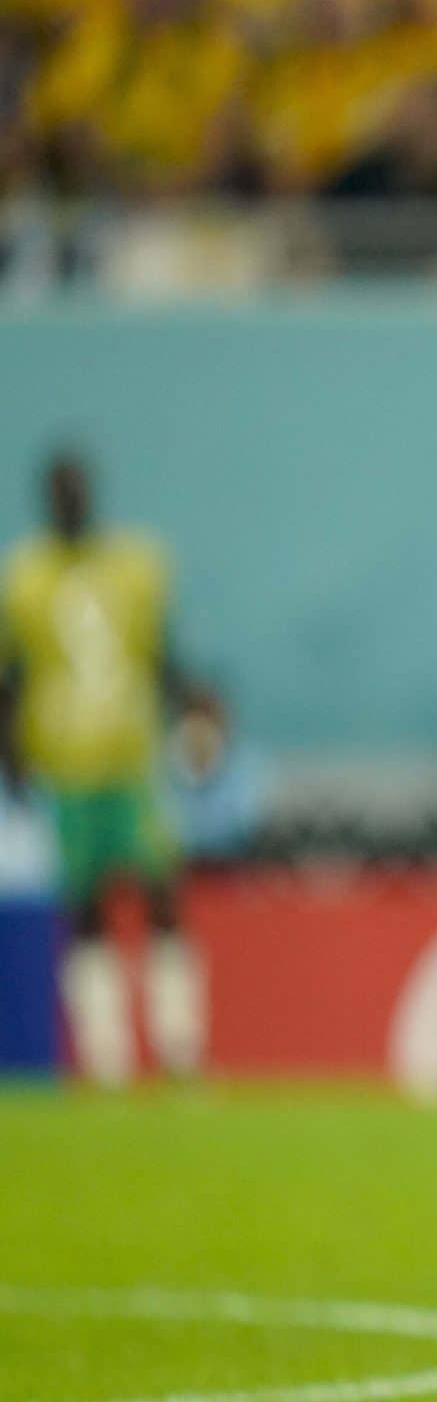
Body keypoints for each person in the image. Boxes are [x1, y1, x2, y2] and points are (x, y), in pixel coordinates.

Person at [0, 448, 203, 1088]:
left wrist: (190, 712)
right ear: (46, 499)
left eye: (78, 488)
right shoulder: (24, 578)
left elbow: (161, 654)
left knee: (161, 894)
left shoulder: (135, 566)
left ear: (92, 494)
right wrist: (13, 758)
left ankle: (179, 1046)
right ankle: (105, 1054)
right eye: (61, 490)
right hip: (65, 768)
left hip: (131, 761)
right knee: (85, 909)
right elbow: (11, 679)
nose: (71, 500)